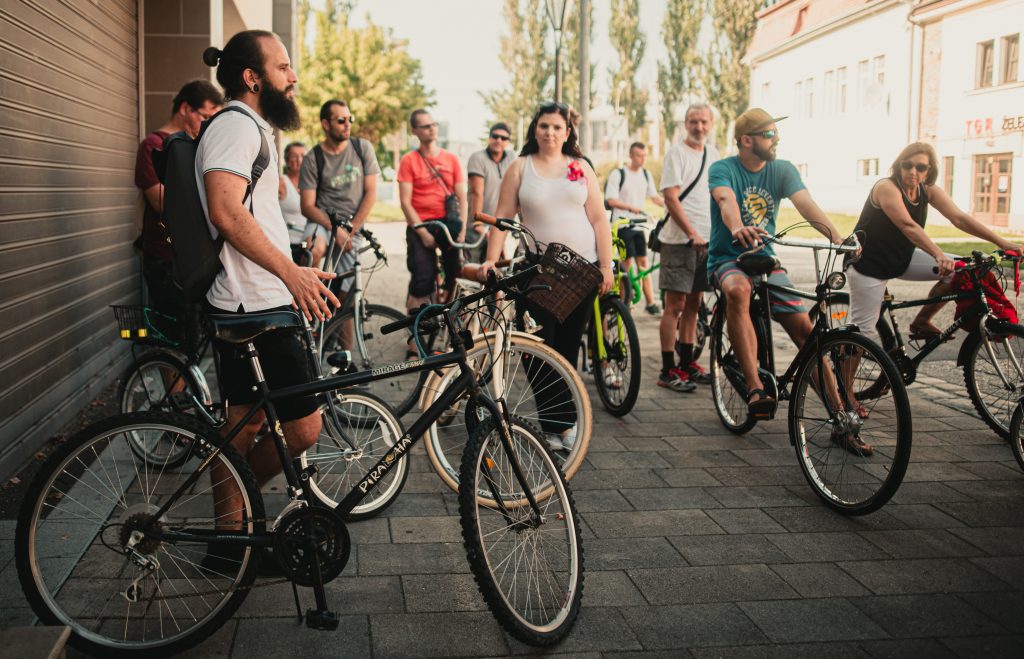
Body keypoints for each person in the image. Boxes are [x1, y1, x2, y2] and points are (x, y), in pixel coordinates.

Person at [197, 31, 339, 536]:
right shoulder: (235, 128)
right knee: (301, 427)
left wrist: (292, 266)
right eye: (283, 68)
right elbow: (225, 211)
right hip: (253, 307)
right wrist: (290, 273)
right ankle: (233, 523)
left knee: (245, 426)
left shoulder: (251, 127)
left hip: (255, 302)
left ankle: (230, 536)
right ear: (252, 77)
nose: (293, 77)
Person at [707, 108, 867, 452]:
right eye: (768, 134)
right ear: (746, 140)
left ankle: (841, 419)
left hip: (767, 259)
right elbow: (726, 200)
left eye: (775, 135)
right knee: (737, 290)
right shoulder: (723, 168)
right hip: (727, 258)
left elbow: (806, 204)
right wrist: (738, 228)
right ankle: (754, 388)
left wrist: (837, 238)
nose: (775, 139)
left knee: (807, 333)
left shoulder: (782, 170)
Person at [480, 101, 614, 450]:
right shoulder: (520, 167)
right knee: (539, 349)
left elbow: (599, 219)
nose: (550, 132)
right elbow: (502, 219)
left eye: (557, 127)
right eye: (544, 126)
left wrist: (606, 266)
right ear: (534, 130)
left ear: (567, 132)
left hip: (582, 270)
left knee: (567, 351)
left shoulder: (580, 166)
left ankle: (564, 426)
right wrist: (491, 261)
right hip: (538, 269)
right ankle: (553, 423)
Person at [848, 142, 1020, 343]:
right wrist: (938, 254)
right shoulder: (886, 187)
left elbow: (959, 218)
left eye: (920, 167)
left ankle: (921, 321)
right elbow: (907, 225)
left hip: (901, 258)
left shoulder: (928, 190)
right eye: (907, 165)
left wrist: (1002, 242)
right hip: (869, 263)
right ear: (898, 166)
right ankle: (838, 376)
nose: (913, 171)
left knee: (959, 271)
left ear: (929, 171)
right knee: (862, 335)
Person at [134, 79, 223, 322]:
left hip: (196, 257)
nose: (207, 124)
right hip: (165, 258)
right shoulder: (153, 145)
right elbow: (159, 200)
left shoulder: (197, 146)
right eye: (204, 116)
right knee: (174, 331)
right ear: (185, 109)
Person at [657, 102, 719, 392]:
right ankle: (668, 369)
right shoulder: (676, 154)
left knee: (695, 304)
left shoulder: (714, 155)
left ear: (711, 124)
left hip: (706, 241)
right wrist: (692, 232)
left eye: (704, 122)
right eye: (694, 121)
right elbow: (671, 197)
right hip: (680, 242)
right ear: (685, 124)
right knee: (675, 306)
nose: (699, 127)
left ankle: (686, 363)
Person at [397, 109, 467, 313]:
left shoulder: (452, 159)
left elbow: (463, 197)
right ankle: (416, 336)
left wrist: (462, 228)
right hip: (421, 225)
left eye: (434, 124)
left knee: (457, 275)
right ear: (415, 131)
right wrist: (422, 233)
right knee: (422, 278)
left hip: (448, 223)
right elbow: (405, 202)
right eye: (426, 126)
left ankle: (449, 320)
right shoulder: (409, 160)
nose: (432, 129)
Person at [299, 100, 380, 271]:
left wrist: (351, 229)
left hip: (353, 225)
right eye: (341, 120)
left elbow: (371, 193)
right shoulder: (312, 158)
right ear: (326, 124)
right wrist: (335, 229)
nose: (348, 124)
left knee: (347, 287)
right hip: (323, 222)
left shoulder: (362, 148)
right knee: (313, 250)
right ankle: (304, 296)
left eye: (350, 119)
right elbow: (307, 206)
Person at [605, 142, 665, 315]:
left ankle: (651, 303)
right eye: (639, 155)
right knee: (626, 264)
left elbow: (654, 197)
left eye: (645, 155)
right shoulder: (619, 174)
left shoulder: (646, 175)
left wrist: (669, 202)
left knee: (644, 263)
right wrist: (630, 207)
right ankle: (624, 302)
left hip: (639, 225)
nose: (642, 159)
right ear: (631, 155)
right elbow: (610, 200)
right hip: (623, 224)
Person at [465, 122, 515, 262]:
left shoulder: (512, 158)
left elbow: (516, 190)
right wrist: (478, 223)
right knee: (473, 271)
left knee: (497, 272)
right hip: (478, 227)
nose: (499, 140)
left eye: (503, 138)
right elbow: (476, 192)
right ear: (489, 138)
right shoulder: (478, 158)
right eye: (495, 136)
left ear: (508, 142)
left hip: (500, 226)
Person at [279, 141, 306, 246]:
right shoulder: (281, 182)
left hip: (310, 243)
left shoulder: (313, 184)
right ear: (287, 160)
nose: (299, 160)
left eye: (303, 156)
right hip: (288, 244)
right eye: (294, 156)